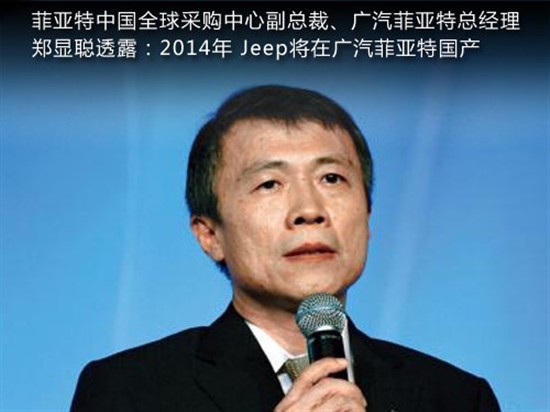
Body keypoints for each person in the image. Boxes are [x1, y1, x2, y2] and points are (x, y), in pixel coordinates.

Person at [70, 85, 501, 411]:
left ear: (368, 217)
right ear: (209, 234)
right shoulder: (128, 390)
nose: (309, 210)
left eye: (331, 178)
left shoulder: (456, 397)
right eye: (269, 184)